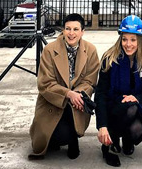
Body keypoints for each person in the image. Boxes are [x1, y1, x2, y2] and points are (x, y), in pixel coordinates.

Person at [29, 13, 100, 160]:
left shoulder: (91, 50)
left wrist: (78, 94)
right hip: (53, 100)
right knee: (51, 139)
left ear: (82, 32)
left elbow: (90, 80)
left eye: (75, 29)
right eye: (68, 29)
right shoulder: (50, 50)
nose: (71, 33)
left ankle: (73, 139)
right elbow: (45, 83)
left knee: (67, 128)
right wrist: (68, 94)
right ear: (63, 30)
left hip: (78, 101)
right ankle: (58, 136)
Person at [94, 15, 142, 167]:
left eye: (133, 39)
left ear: (140, 39)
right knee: (129, 108)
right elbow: (100, 94)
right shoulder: (109, 58)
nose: (128, 44)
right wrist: (102, 125)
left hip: (134, 107)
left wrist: (137, 98)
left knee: (136, 129)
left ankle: (127, 140)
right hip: (112, 108)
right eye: (124, 39)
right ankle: (109, 144)